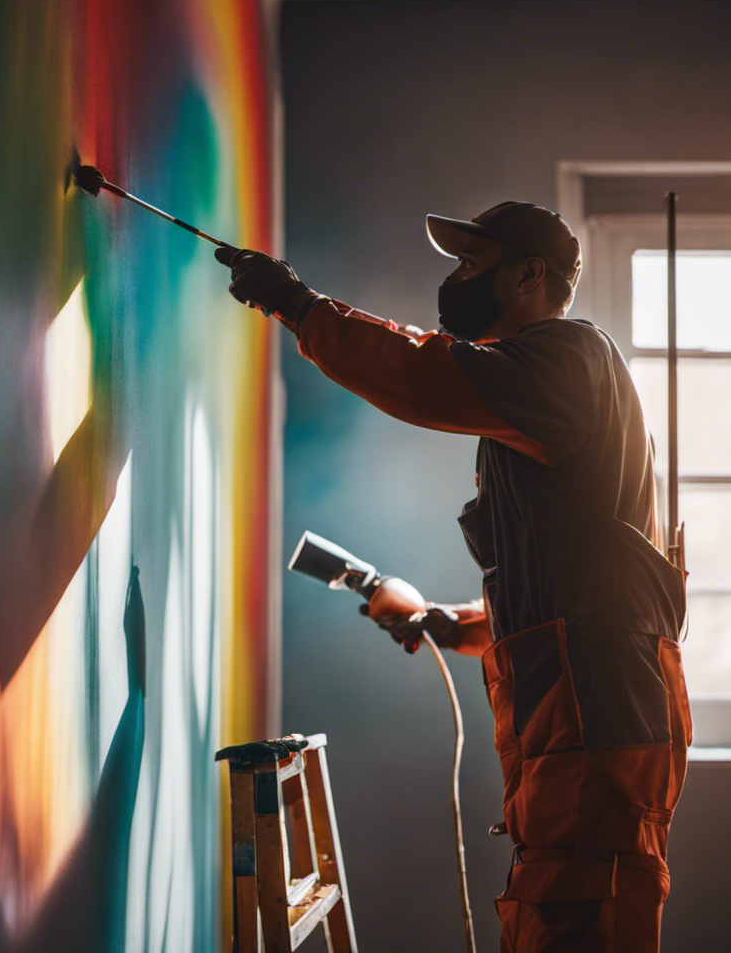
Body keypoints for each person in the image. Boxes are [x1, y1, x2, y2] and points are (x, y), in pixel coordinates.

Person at [215, 200, 692, 953]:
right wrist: (452, 624)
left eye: (471, 265)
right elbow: (567, 576)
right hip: (582, 700)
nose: (454, 280)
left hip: (594, 710)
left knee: (577, 912)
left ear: (529, 273)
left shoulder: (565, 360)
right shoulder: (548, 386)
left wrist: (300, 306)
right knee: (555, 905)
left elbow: (422, 373)